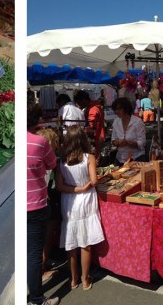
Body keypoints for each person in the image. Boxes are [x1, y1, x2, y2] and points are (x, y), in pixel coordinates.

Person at [56, 125, 105, 291]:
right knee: (85, 242)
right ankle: (85, 279)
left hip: (69, 201)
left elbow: (59, 186)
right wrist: (84, 187)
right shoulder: (88, 157)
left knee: (71, 242)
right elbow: (95, 180)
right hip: (85, 200)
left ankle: (73, 279)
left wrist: (76, 189)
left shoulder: (62, 160)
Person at [27, 103, 60, 305]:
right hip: (35, 205)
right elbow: (52, 164)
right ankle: (37, 299)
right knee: (33, 254)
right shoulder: (39, 142)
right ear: (37, 121)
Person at [36, 128, 61, 284]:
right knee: (47, 237)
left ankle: (42, 264)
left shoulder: (34, 159)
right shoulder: (52, 161)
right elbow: (57, 185)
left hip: (37, 202)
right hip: (49, 201)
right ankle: (41, 269)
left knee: (39, 238)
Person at [111, 97, 147, 165]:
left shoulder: (137, 122)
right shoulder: (116, 122)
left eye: (119, 109)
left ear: (126, 109)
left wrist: (128, 143)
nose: (116, 112)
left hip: (136, 158)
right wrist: (117, 142)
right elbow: (113, 140)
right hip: (120, 158)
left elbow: (143, 143)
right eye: (115, 109)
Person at [74, 90, 105, 156]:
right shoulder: (96, 106)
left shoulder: (92, 110)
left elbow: (91, 127)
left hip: (96, 139)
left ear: (84, 100)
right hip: (100, 137)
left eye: (79, 103)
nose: (78, 105)